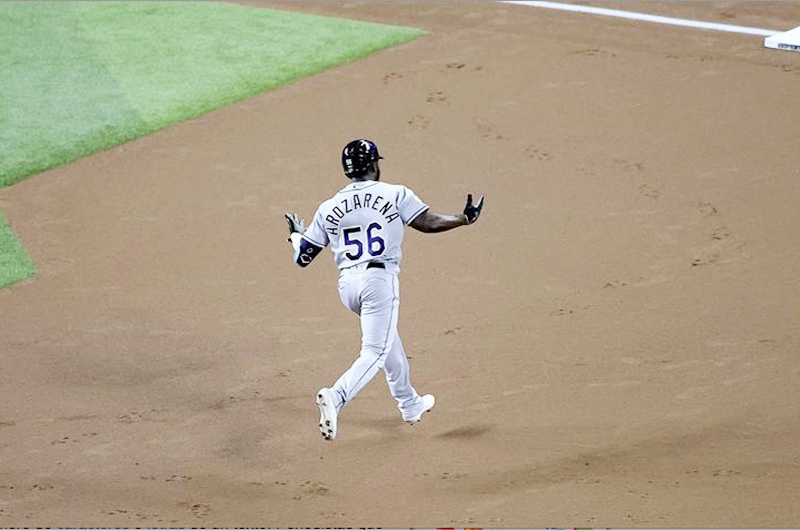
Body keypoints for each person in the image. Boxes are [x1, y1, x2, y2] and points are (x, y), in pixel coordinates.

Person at [285, 139, 484, 441]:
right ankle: (335, 397)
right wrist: (463, 219)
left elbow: (304, 257)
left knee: (389, 341)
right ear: (374, 164)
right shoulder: (394, 193)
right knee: (375, 351)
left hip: (347, 287)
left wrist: (297, 236)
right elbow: (427, 223)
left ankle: (410, 404)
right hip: (379, 281)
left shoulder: (328, 207)